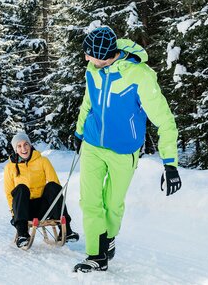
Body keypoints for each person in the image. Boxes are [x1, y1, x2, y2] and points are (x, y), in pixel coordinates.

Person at [72, 26, 182, 273]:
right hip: (92, 145)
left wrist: (170, 163)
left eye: (90, 55)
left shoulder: (139, 76)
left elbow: (165, 120)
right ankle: (96, 255)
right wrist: (79, 132)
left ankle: (108, 237)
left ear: (105, 55)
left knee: (112, 203)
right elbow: (88, 101)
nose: (86, 59)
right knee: (90, 201)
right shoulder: (93, 69)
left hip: (124, 151)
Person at [4, 131, 79, 248]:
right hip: (24, 210)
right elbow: (9, 194)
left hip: (43, 209)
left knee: (53, 186)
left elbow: (55, 185)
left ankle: (66, 231)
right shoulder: (10, 167)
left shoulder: (43, 161)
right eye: (19, 146)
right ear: (15, 149)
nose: (23, 148)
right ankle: (22, 234)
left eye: (26, 144)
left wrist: (55, 203)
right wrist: (14, 215)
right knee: (21, 188)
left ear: (30, 145)